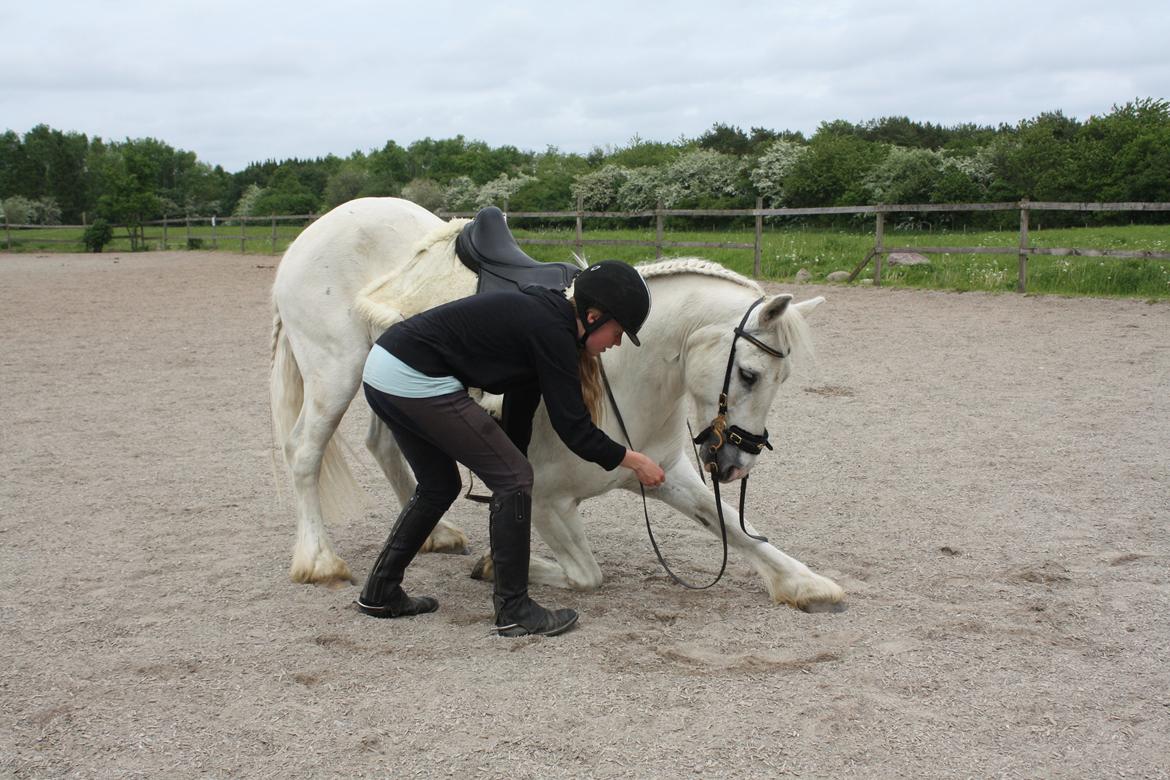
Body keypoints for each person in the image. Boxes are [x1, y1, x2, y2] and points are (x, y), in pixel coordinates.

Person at [356, 260, 666, 637]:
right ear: (593, 315)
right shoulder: (553, 333)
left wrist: (510, 461)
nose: (616, 343)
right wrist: (634, 460)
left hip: (385, 369)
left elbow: (521, 398)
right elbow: (575, 429)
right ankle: (514, 609)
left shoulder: (548, 324)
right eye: (617, 332)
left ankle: (380, 591)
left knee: (443, 484)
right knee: (514, 478)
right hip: (413, 375)